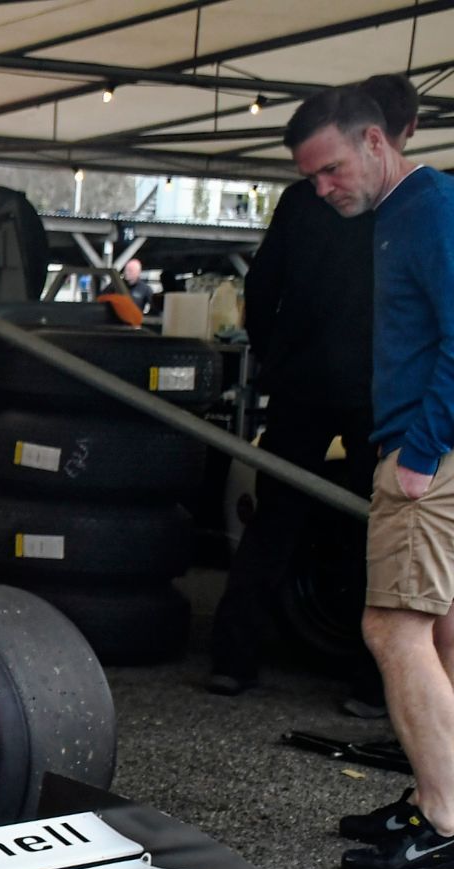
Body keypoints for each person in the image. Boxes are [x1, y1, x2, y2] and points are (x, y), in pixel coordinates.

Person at [284, 85, 454, 869]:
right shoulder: (407, 213)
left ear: (376, 142)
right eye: (311, 179)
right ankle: (435, 799)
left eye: (330, 169)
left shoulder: (427, 209)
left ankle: (447, 819)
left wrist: (420, 451)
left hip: (429, 458)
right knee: (440, 631)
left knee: (393, 628)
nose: (323, 189)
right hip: (425, 449)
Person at [207, 75, 413, 715]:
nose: (329, 184)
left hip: (306, 383)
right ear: (397, 134)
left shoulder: (302, 200)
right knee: (369, 527)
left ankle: (233, 661)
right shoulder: (407, 205)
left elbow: (260, 289)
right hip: (372, 392)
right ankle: (367, 681)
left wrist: (275, 356)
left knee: (276, 520)